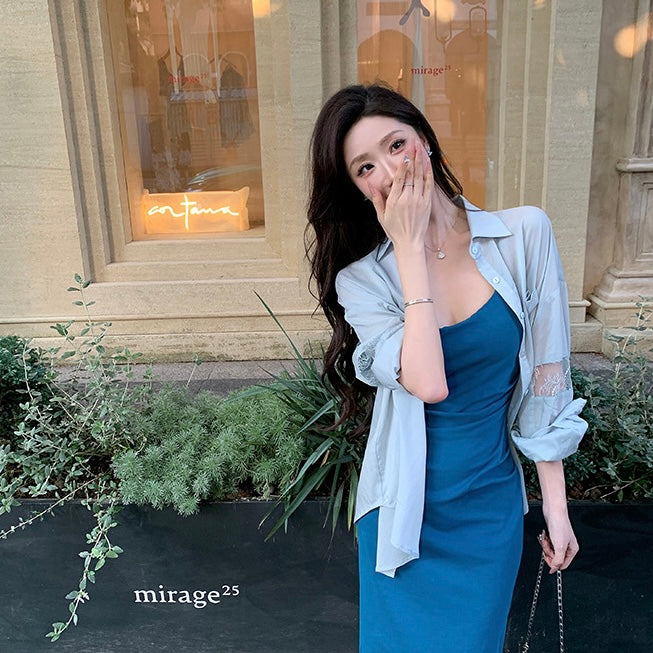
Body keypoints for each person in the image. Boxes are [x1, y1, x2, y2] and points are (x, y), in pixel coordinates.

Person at [306, 83, 588, 652]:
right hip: (404, 520)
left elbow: (547, 380)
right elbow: (429, 383)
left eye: (396, 145)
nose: (391, 171)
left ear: (426, 142)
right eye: (366, 167)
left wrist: (556, 509)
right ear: (358, 189)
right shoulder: (363, 281)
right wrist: (409, 249)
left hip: (487, 512)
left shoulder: (523, 235)